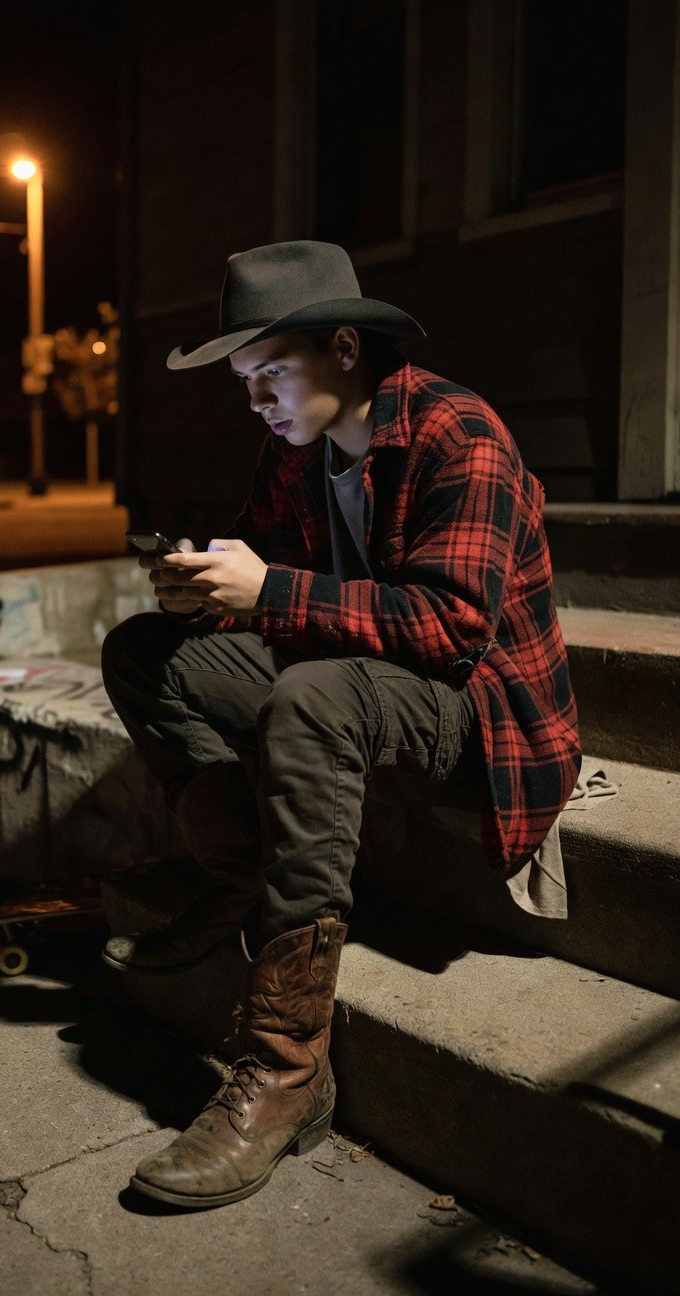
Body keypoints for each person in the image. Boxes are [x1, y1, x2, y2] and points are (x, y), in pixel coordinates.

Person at [100, 240, 580, 1209]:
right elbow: (284, 606)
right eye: (245, 381)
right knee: (145, 652)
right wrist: (208, 596)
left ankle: (286, 1070)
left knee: (309, 698)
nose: (258, 400)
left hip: (477, 718)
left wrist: (270, 588)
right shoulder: (297, 452)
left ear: (347, 351)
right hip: (350, 689)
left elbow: (449, 632)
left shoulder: (459, 435)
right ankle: (245, 869)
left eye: (272, 371)